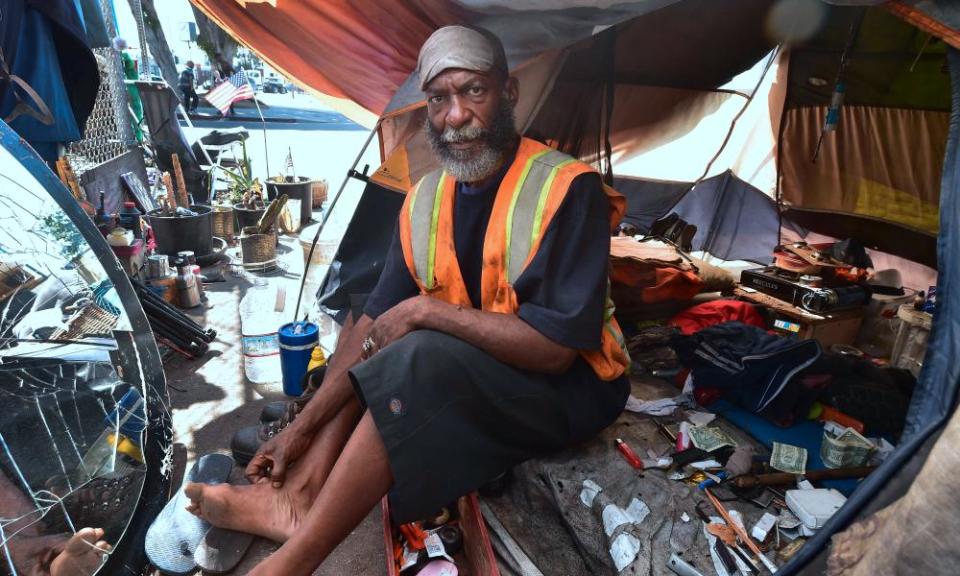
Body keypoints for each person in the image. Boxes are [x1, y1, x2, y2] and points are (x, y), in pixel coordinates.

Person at [185, 25, 630, 576]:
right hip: (487, 368)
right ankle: (296, 494)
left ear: (509, 94)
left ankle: (296, 558)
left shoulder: (566, 189)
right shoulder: (425, 198)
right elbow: (374, 318)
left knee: (414, 347)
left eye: (474, 92)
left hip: (570, 388)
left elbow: (555, 353)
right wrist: (300, 428)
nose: (455, 116)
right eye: (439, 98)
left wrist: (426, 311)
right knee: (366, 332)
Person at [113, 37, 143, 143]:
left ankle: (136, 135)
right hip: (132, 85)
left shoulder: (122, 55)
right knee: (136, 109)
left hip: (130, 85)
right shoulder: (127, 54)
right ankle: (138, 136)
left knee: (132, 109)